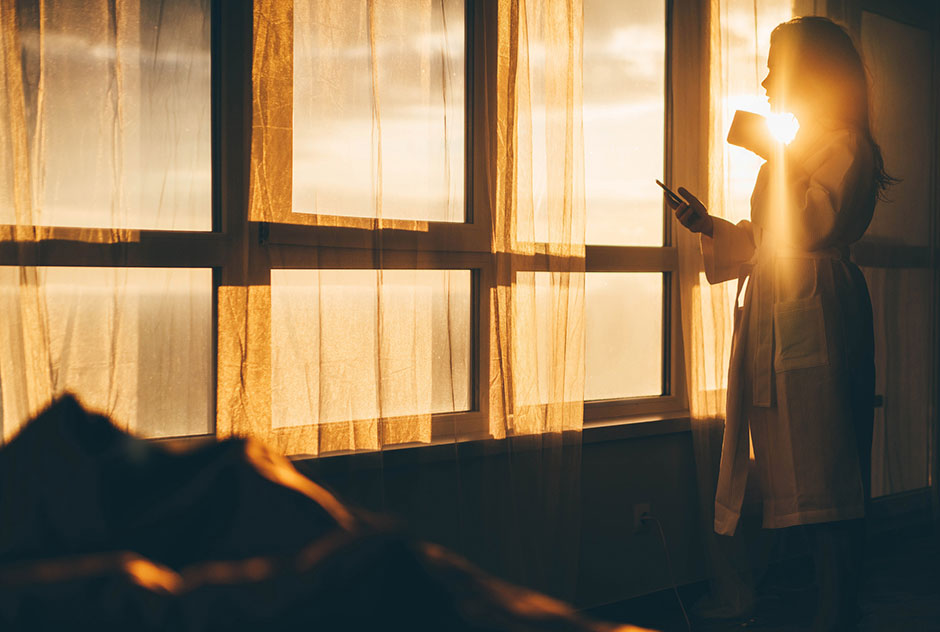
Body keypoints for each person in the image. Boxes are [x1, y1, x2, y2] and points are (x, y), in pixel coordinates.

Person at [667, 16, 893, 632]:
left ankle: (837, 610)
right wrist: (710, 225)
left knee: (828, 472)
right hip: (783, 306)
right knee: (796, 471)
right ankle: (827, 605)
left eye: (775, 67)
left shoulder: (844, 143)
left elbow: (813, 228)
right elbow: (771, 242)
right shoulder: (799, 147)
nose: (765, 80)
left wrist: (775, 152)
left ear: (810, 72)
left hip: (817, 309)